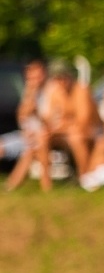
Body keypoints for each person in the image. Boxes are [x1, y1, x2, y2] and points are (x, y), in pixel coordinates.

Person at [5, 60, 51, 192]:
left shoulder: (52, 92)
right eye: (30, 77)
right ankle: (10, 186)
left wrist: (36, 112)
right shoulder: (28, 92)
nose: (34, 80)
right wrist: (30, 97)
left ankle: (13, 185)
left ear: (44, 74)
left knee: (32, 148)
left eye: (37, 76)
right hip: (28, 135)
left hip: (44, 135)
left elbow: (50, 123)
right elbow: (21, 117)